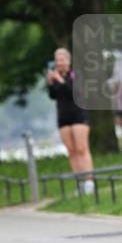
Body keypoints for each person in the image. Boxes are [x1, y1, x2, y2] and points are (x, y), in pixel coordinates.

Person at [46, 47, 95, 194]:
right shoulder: (55, 76)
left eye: (62, 60)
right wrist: (50, 83)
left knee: (82, 148)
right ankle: (79, 182)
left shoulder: (75, 74)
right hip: (63, 116)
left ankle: (89, 182)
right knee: (72, 151)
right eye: (57, 60)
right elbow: (53, 95)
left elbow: (73, 91)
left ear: (68, 61)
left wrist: (60, 80)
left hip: (78, 115)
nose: (59, 63)